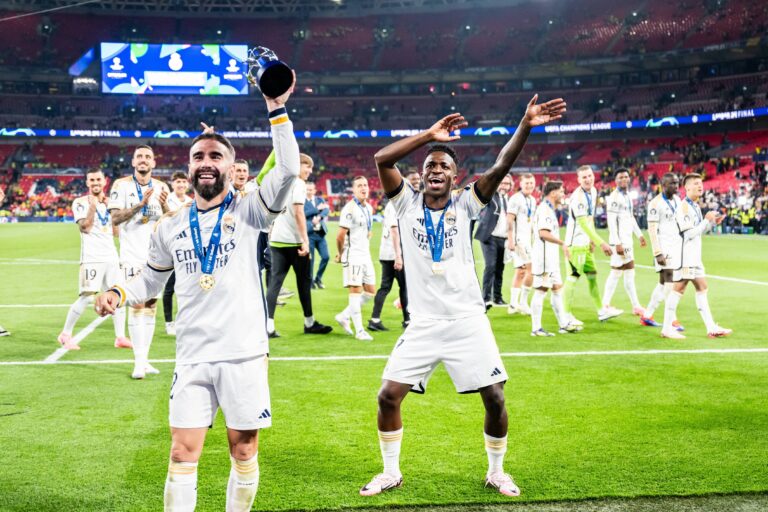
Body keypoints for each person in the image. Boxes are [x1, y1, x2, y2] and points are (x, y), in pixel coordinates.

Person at [95, 78, 300, 512]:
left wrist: (276, 109)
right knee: (181, 455)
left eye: (216, 156)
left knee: (243, 452)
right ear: (188, 168)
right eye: (198, 157)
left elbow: (286, 171)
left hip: (243, 354)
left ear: (230, 166)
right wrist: (118, 289)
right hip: (191, 356)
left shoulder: (250, 210)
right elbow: (150, 281)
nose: (206, 163)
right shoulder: (170, 226)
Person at [359, 94, 566, 498]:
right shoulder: (404, 204)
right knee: (387, 397)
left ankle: (496, 471)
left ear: (456, 177)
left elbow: (502, 164)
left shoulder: (468, 203)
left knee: (494, 397)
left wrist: (525, 124)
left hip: (468, 321)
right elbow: (382, 159)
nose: (436, 169)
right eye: (430, 166)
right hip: (423, 323)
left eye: (445, 166)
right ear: (420, 176)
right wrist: (430, 137)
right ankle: (390, 472)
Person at [108, 145, 170, 379]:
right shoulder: (121, 185)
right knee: (137, 305)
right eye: (139, 157)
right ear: (133, 162)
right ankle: (138, 362)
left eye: (148, 157)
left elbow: (170, 219)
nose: (143, 160)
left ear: (154, 163)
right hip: (131, 255)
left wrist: (164, 205)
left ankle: (145, 360)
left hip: (155, 257)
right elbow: (115, 217)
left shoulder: (162, 187)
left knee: (151, 307)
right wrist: (139, 206)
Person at [55, 169, 131, 350]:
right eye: (92, 180)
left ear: (104, 181)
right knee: (86, 297)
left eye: (98, 179)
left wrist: (114, 213)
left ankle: (120, 337)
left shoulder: (111, 203)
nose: (95, 182)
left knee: (117, 296)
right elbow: (85, 228)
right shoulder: (80, 202)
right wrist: (93, 206)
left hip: (112, 257)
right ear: (87, 183)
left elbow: (115, 232)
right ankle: (65, 335)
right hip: (92, 259)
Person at [265, 153, 332, 338]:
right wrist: (305, 240)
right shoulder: (299, 184)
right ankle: (309, 323)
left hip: (277, 238)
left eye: (311, 167)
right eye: (306, 166)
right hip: (293, 241)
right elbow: (299, 212)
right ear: (297, 165)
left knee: (275, 283)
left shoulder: (282, 181)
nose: (310, 170)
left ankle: (268, 326)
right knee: (303, 282)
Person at [662, 173, 731, 339]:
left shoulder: (695, 206)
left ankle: (711, 327)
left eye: (701, 183)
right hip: (685, 256)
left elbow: (699, 231)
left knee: (702, 287)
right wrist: (706, 221)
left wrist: (712, 222)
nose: (700, 186)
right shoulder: (684, 207)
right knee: (679, 288)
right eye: (696, 183)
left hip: (694, 256)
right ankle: (666, 328)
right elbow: (688, 234)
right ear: (687, 187)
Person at [562, 166, 621, 324]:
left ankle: (601, 311)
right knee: (572, 278)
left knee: (593, 277)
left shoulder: (593, 191)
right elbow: (583, 224)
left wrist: (591, 241)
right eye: (584, 177)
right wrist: (601, 243)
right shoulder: (578, 198)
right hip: (575, 245)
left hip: (585, 244)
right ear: (578, 180)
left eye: (589, 176)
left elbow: (590, 220)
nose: (588, 179)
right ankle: (565, 316)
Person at [369, 170, 420, 331]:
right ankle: (406, 320)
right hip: (394, 253)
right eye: (411, 181)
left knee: (386, 287)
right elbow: (394, 230)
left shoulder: (397, 203)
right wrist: (399, 256)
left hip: (388, 252)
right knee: (404, 287)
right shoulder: (396, 204)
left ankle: (375, 319)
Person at [529, 181, 580, 336]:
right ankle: (536, 329)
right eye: (561, 191)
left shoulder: (549, 209)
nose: (563, 194)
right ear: (553, 193)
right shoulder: (544, 209)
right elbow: (543, 233)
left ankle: (563, 324)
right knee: (541, 290)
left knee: (557, 289)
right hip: (544, 258)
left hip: (551, 258)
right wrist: (562, 243)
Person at [640, 173, 685, 332]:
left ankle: (647, 315)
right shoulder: (655, 203)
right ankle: (671, 319)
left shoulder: (678, 201)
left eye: (677, 183)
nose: (676, 186)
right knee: (670, 279)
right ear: (663, 184)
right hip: (663, 247)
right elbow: (652, 229)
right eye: (672, 183)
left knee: (662, 282)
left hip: (676, 245)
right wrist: (657, 252)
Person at [334, 176, 377, 341]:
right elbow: (340, 236)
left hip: (366, 255)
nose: (364, 188)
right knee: (355, 291)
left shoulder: (369, 208)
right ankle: (360, 331)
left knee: (370, 292)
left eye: (365, 185)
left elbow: (367, 230)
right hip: (353, 256)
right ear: (354, 189)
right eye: (359, 186)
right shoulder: (349, 209)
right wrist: (341, 253)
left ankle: (344, 316)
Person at [601, 168, 647, 315]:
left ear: (629, 179)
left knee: (629, 272)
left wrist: (639, 234)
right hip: (620, 242)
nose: (624, 179)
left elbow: (630, 217)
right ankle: (605, 305)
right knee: (616, 273)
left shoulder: (627, 195)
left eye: (626, 177)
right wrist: (616, 242)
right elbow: (612, 221)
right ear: (616, 181)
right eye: (620, 177)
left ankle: (635, 306)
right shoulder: (614, 197)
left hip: (627, 241)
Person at [475, 174, 513, 308]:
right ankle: (485, 298)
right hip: (489, 236)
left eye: (507, 184)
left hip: (503, 238)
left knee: (499, 268)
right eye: (502, 183)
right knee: (490, 266)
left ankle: (497, 297)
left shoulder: (509, 199)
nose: (504, 186)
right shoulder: (490, 196)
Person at [162, 171, 193, 336]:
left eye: (183, 182)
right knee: (169, 289)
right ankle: (169, 323)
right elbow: (166, 221)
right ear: (172, 184)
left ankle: (184, 321)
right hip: (169, 249)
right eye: (177, 182)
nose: (181, 185)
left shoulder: (191, 201)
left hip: (186, 249)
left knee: (187, 287)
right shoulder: (166, 200)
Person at [506, 173, 536, 315]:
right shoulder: (515, 199)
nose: (529, 185)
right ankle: (523, 303)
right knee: (532, 269)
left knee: (521, 271)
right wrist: (511, 239)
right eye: (526, 183)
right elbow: (510, 220)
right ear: (521, 184)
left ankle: (513, 304)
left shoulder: (533, 200)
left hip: (528, 240)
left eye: (531, 183)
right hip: (519, 241)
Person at [304, 181, 330, 289]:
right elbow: (303, 214)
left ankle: (318, 278)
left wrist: (319, 217)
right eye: (307, 189)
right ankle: (310, 283)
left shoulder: (320, 199)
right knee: (311, 260)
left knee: (326, 257)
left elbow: (326, 209)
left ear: (314, 190)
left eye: (311, 189)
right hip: (309, 234)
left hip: (320, 234)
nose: (309, 191)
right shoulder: (302, 201)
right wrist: (317, 210)